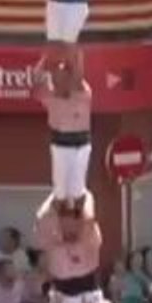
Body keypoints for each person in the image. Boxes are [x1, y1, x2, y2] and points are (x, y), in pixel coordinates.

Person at [33, 190, 103, 303]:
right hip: (62, 302)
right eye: (63, 220)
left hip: (90, 300)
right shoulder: (53, 245)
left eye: (74, 219)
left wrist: (84, 193)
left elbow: (90, 218)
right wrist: (57, 193)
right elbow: (40, 219)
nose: (68, 226)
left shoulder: (89, 239)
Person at [34, 51, 93, 211]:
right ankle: (59, 218)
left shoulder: (82, 93)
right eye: (57, 78)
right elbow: (36, 82)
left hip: (81, 145)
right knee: (59, 191)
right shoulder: (50, 97)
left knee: (77, 190)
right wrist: (45, 60)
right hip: (60, 146)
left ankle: (79, 218)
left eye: (65, 76)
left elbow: (78, 70)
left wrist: (72, 51)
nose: (62, 81)